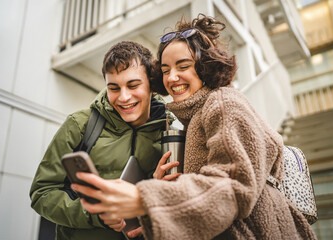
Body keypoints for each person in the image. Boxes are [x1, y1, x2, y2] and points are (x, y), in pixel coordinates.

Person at [71, 15, 317, 239]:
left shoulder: (223, 103)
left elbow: (232, 186)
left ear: (204, 66)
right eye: (165, 70)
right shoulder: (195, 116)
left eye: (183, 66)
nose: (172, 77)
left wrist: (144, 198)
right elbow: (206, 206)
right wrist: (152, 219)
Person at [29, 41, 175, 240]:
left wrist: (155, 191)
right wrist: (96, 214)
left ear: (151, 85)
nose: (124, 97)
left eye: (133, 85)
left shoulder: (170, 135)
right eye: (114, 88)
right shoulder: (79, 124)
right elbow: (41, 193)